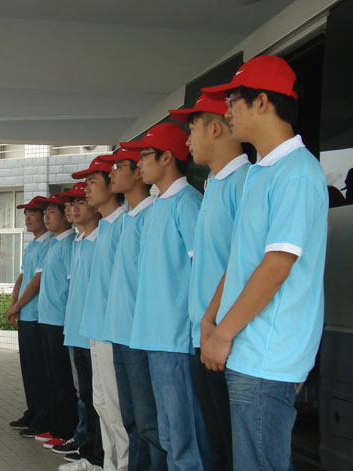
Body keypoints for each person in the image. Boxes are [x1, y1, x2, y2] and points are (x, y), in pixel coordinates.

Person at [200, 55, 328, 471]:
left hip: (269, 356)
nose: (226, 112)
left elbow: (276, 266)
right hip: (247, 349)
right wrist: (210, 319)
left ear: (261, 102)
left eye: (232, 101)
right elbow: (242, 259)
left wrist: (223, 333)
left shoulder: (297, 172)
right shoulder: (261, 173)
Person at [121, 123, 212, 470]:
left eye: (145, 155)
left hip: (175, 339)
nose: (139, 163)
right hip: (153, 336)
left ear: (167, 157)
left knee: (184, 436)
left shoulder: (187, 204)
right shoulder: (159, 205)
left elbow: (202, 272)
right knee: (169, 434)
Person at [169, 93, 250, 471]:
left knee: (235, 449)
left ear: (215, 128)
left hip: (227, 337)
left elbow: (243, 265)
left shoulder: (244, 183)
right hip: (204, 334)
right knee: (217, 443)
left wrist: (217, 326)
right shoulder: (214, 185)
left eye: (191, 129)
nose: (187, 141)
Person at [101, 148, 166, 471]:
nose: (112, 173)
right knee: (130, 417)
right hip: (119, 332)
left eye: (119, 167)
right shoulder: (126, 218)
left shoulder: (151, 214)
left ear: (138, 174)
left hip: (139, 335)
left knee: (148, 419)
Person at [76, 156, 130, 471]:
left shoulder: (124, 223)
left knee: (116, 406)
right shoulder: (106, 226)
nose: (86, 190)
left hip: (114, 329)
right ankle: (109, 463)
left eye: (92, 182)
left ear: (112, 187)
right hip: (96, 328)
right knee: (101, 403)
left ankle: (121, 465)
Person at [57, 187, 104, 470]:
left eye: (81, 202)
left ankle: (96, 454)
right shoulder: (78, 242)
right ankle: (88, 448)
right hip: (75, 330)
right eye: (71, 203)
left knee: (100, 400)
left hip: (94, 333)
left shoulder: (102, 238)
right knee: (85, 394)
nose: (74, 208)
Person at [36, 193, 78, 447]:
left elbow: (72, 285)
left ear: (65, 215)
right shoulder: (53, 243)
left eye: (51, 212)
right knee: (52, 377)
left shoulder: (69, 243)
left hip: (61, 321)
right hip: (47, 319)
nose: (46, 217)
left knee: (64, 380)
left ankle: (66, 430)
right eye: (45, 213)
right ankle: (56, 426)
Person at [9, 196, 53, 437]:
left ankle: (43, 417)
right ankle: (33, 410)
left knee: (39, 370)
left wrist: (18, 305)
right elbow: (22, 277)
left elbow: (36, 281)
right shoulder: (32, 246)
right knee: (28, 368)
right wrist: (13, 305)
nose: (27, 218)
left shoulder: (50, 244)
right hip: (25, 314)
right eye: (25, 214)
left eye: (32, 213)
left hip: (37, 315)